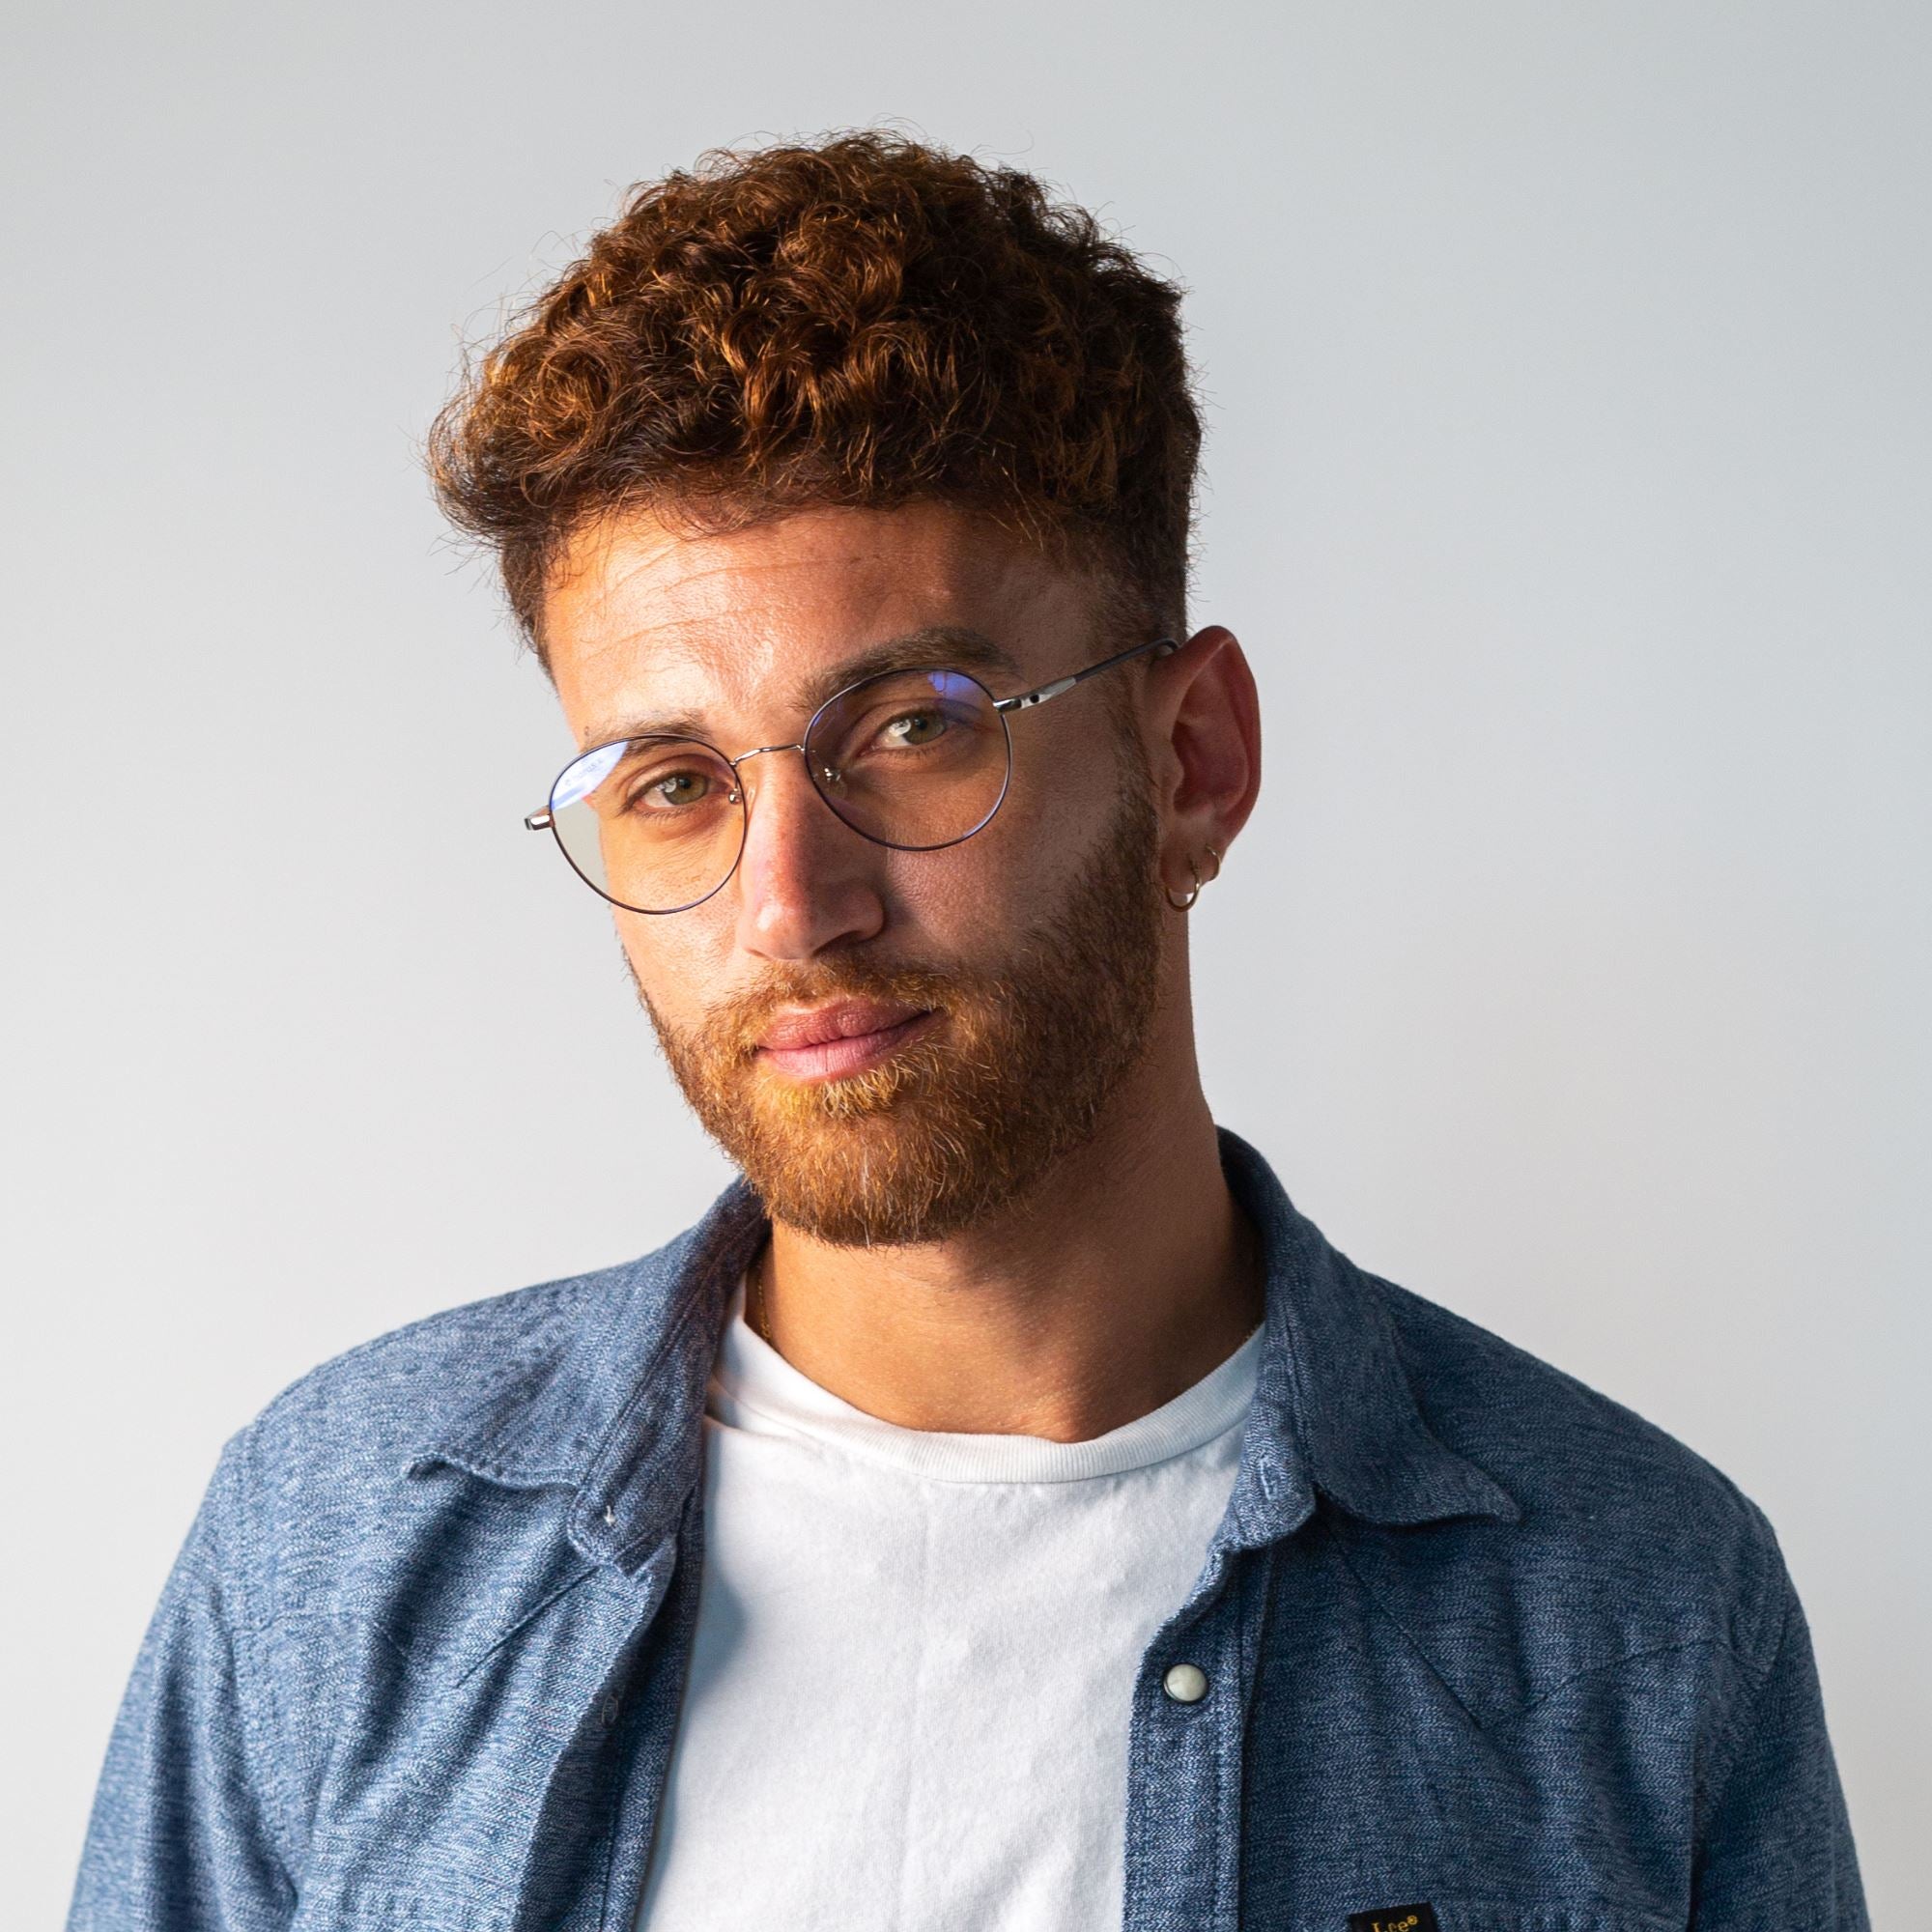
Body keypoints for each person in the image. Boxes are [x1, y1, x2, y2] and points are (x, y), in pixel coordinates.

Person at [68, 131, 1867, 1932]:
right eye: (675, 783)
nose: (788, 905)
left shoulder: (1636, 1609)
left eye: (911, 731)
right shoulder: (343, 1542)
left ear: (1191, 765)